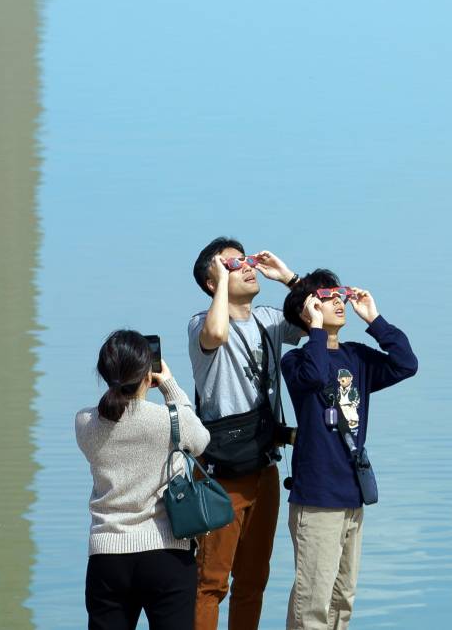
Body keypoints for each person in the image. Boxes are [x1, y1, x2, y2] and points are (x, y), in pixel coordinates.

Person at [280, 270, 418, 629]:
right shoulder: (295, 361)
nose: (339, 301)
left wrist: (375, 319)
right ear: (308, 308)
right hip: (317, 497)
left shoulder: (356, 357)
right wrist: (314, 330)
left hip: (352, 495)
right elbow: (312, 377)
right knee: (313, 603)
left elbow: (406, 364)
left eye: (339, 294)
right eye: (327, 296)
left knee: (342, 600)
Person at [188, 237, 305, 630]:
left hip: (264, 464)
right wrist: (223, 281)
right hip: (220, 473)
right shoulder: (199, 325)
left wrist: (288, 277)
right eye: (232, 264)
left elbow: (313, 316)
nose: (247, 267)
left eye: (247, 260)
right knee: (210, 582)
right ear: (212, 281)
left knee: (254, 579)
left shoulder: (269, 321)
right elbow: (217, 335)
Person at [75, 330, 210, 630]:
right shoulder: (171, 420)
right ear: (148, 374)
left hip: (107, 555)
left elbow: (108, 413)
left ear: (104, 373)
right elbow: (201, 440)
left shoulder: (84, 423)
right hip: (167, 553)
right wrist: (170, 387)